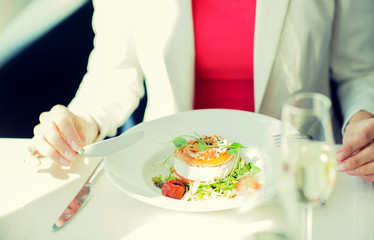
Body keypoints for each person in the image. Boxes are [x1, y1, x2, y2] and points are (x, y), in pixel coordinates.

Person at [29, 0, 374, 182]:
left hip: (293, 173)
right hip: (167, 179)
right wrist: (82, 119)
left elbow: (359, 70)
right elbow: (116, 70)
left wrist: (364, 119)